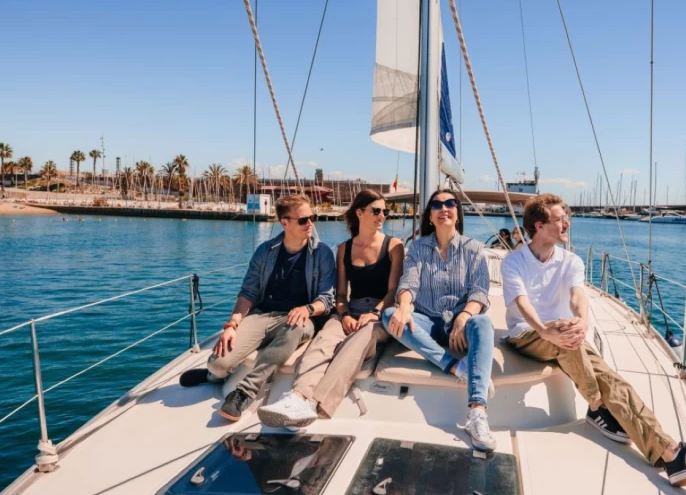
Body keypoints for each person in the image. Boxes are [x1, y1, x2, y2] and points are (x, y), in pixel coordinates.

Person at [501, 193, 686, 487]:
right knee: (565, 337)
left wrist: (583, 321)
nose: (567, 224)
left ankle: (671, 454)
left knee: (614, 380)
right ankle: (598, 407)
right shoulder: (514, 262)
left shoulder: (570, 260)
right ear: (539, 225)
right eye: (560, 219)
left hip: (564, 335)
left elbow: (577, 295)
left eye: (566, 218)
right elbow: (522, 303)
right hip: (526, 333)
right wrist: (544, 329)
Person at [179, 194, 335, 423]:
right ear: (284, 222)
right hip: (262, 314)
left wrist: (308, 309)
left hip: (299, 318)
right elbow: (248, 293)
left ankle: (244, 392)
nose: (310, 223)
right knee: (219, 363)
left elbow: (327, 298)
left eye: (313, 217)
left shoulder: (322, 253)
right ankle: (214, 376)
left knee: (295, 328)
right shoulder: (266, 251)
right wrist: (232, 324)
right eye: (303, 220)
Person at [258, 190, 404, 427]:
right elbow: (341, 294)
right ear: (359, 212)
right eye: (376, 210)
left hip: (381, 313)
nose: (382, 216)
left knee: (358, 342)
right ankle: (298, 397)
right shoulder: (344, 249)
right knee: (323, 341)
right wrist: (344, 314)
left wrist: (374, 313)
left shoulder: (394, 246)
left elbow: (393, 292)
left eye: (385, 211)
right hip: (350, 309)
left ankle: (317, 403)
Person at [382, 189, 497, 451]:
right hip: (428, 321)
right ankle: (456, 367)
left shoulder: (475, 249)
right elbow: (409, 284)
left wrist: (464, 315)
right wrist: (403, 306)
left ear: (457, 212)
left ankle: (477, 411)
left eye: (449, 203)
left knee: (483, 323)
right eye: (436, 204)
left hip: (461, 323)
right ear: (430, 216)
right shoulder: (418, 248)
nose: (443, 207)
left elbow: (480, 292)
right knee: (389, 316)